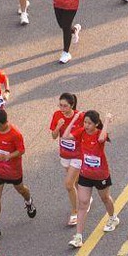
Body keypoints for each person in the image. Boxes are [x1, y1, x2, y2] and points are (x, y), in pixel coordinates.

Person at [69, 111, 121, 246]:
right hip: (85, 174)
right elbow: (65, 136)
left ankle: (113, 218)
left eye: (89, 123)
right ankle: (78, 237)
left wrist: (107, 121)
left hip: (101, 175)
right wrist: (75, 118)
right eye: (85, 122)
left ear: (96, 124)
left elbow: (101, 139)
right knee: (83, 204)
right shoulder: (81, 132)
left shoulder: (99, 134)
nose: (86, 125)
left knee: (105, 198)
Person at [0, 107, 37, 227]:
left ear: (3, 123)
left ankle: (29, 201)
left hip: (13, 171)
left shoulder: (15, 134)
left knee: (21, 190)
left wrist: (8, 157)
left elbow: (21, 150)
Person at [48, 94, 85, 226]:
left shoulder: (80, 117)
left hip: (78, 155)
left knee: (69, 184)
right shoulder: (57, 115)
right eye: (60, 105)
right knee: (76, 182)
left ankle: (75, 212)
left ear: (72, 105)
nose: (62, 108)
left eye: (65, 106)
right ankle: (86, 198)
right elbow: (53, 136)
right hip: (65, 155)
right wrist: (58, 126)